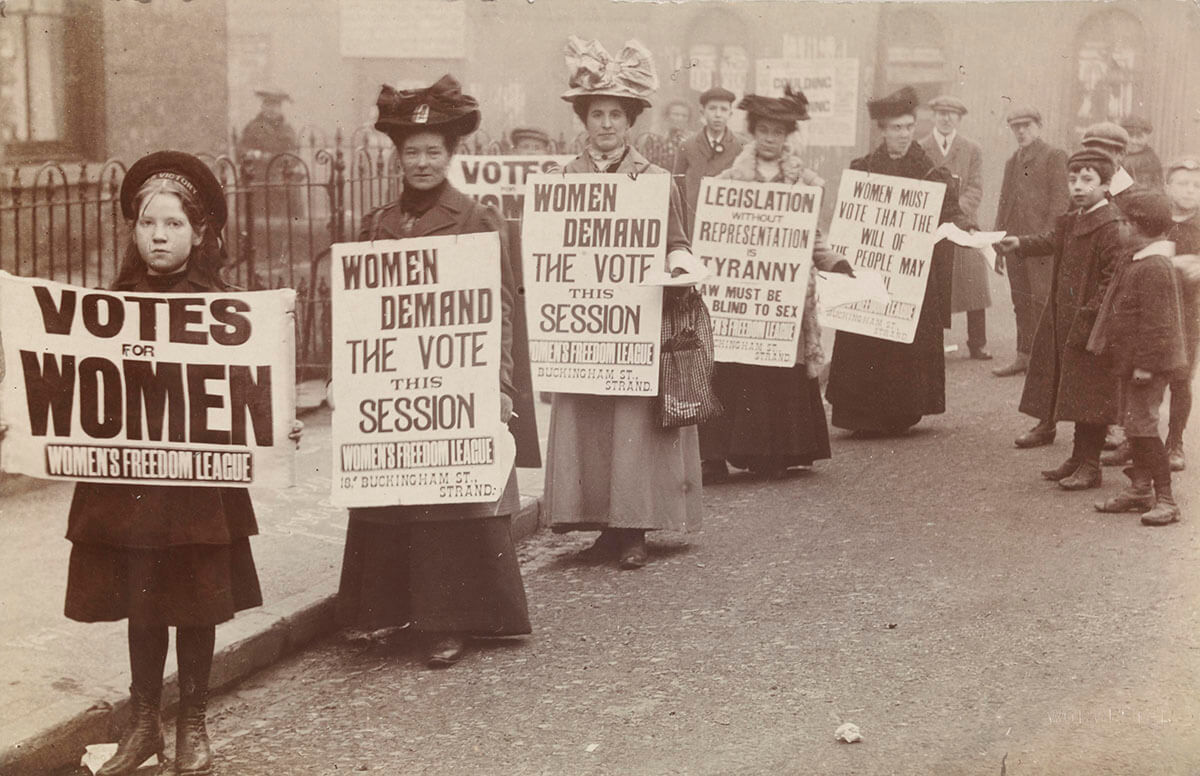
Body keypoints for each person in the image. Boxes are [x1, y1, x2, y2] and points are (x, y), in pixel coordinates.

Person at [57, 151, 302, 776]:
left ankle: (191, 724)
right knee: (142, 599)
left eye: (171, 224)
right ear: (133, 231)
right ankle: (144, 725)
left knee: (194, 597)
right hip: (132, 484)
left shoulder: (223, 309)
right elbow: (74, 386)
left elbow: (248, 388)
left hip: (197, 487)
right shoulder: (109, 306)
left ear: (199, 233)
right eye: (146, 224)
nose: (157, 236)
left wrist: (277, 420)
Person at [335, 75, 530, 668]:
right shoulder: (375, 225)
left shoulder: (476, 219)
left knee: (449, 502)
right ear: (396, 157)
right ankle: (389, 610)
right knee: (393, 489)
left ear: (452, 155)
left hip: (456, 384)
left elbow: (498, 309)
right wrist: (349, 376)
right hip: (394, 386)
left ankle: (450, 620)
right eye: (411, 152)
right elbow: (360, 313)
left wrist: (499, 384)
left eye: (433, 152)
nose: (421, 162)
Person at [544, 36, 702, 570]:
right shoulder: (563, 182)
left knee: (632, 426)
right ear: (584, 120)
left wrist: (680, 266)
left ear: (630, 120)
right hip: (587, 324)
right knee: (590, 423)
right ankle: (600, 526)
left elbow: (676, 241)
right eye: (596, 114)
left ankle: (632, 528)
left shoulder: (656, 182)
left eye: (615, 114)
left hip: (636, 322)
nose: (606, 124)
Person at [698, 86, 854, 482]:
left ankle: (776, 453)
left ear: (788, 138)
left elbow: (813, 238)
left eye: (778, 132)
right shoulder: (729, 180)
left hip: (783, 300)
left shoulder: (805, 185)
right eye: (764, 130)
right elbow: (713, 235)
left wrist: (834, 261)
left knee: (779, 372)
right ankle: (718, 453)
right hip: (739, 297)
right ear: (752, 132)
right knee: (734, 371)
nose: (770, 138)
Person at [825, 86, 966, 437]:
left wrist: (962, 230)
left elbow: (951, 215)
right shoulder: (863, 169)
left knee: (905, 340)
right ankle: (861, 414)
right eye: (895, 128)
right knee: (867, 338)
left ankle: (902, 411)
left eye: (908, 127)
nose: (903, 135)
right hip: (873, 270)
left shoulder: (932, 173)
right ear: (883, 131)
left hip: (911, 275)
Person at [995, 148, 1124, 491]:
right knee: (1076, 391)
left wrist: (1090, 317)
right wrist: (1019, 243)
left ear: (1107, 184)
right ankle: (1077, 457)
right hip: (1067, 320)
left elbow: (1112, 280)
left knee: (1091, 395)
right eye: (1072, 180)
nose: (1078, 187)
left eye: (1087, 180)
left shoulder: (1110, 226)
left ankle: (1091, 464)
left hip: (1092, 325)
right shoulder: (1074, 218)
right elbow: (1053, 241)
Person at [1089, 191, 1187, 525]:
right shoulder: (1139, 258)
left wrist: (1146, 364)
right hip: (1133, 363)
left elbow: (1158, 325)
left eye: (1125, 223)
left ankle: (1166, 499)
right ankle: (1140, 490)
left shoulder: (1155, 266)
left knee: (1143, 428)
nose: (1121, 229)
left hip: (1148, 365)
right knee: (1134, 425)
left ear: (1138, 226)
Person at [1080, 122, 1146, 467]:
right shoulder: (1088, 186)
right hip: (1094, 282)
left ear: (1120, 155)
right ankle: (1103, 425)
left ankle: (1123, 430)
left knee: (1122, 359)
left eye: (1105, 151)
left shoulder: (1133, 196)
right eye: (1091, 148)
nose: (1097, 156)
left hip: (1124, 285)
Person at [993, 106, 1070, 383]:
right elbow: (1004, 202)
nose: (1021, 131)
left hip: (1040, 245)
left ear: (1039, 126)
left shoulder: (1054, 156)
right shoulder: (1013, 161)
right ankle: (1023, 356)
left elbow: (1060, 203)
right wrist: (996, 240)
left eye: (1026, 125)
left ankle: (1045, 360)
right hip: (1013, 243)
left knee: (1042, 300)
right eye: (1015, 127)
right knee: (1020, 301)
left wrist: (1048, 239)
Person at [919, 95, 992, 360]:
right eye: (941, 113)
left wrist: (957, 210)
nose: (946, 118)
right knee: (934, 284)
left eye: (951, 114)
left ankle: (978, 342)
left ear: (959, 119)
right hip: (932, 225)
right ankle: (932, 342)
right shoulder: (921, 147)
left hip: (963, 222)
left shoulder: (972, 149)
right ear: (933, 117)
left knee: (974, 281)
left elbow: (975, 186)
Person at [1164, 157, 1200, 471]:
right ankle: (1134, 441)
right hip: (1151, 311)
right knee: (1139, 377)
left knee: (1180, 378)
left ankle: (1175, 443)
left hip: (1187, 313)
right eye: (1183, 184)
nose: (1190, 191)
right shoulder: (1155, 219)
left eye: (1197, 186)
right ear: (1167, 187)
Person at [674, 86, 742, 233]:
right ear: (702, 112)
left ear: (731, 113)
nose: (718, 115)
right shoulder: (687, 146)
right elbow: (677, 187)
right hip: (693, 221)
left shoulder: (741, 147)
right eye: (712, 109)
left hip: (726, 222)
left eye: (723, 109)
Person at [643, 98, 691, 170]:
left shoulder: (692, 140)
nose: (680, 118)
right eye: (676, 114)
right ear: (667, 116)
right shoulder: (654, 138)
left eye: (684, 116)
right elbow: (647, 165)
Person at [1120, 116, 1164, 190]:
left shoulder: (1150, 160)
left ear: (1147, 138)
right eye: (1130, 136)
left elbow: (1153, 187)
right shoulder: (1115, 154)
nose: (1134, 141)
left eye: (1139, 137)